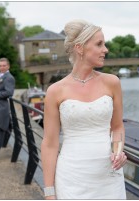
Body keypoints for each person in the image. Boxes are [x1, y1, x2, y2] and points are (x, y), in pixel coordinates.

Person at [40, 19, 127, 199]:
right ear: (80, 48)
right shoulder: (55, 91)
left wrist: (117, 151)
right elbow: (50, 144)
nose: (106, 49)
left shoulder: (113, 83)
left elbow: (117, 127)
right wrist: (49, 192)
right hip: (72, 178)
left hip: (109, 179)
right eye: (99, 44)